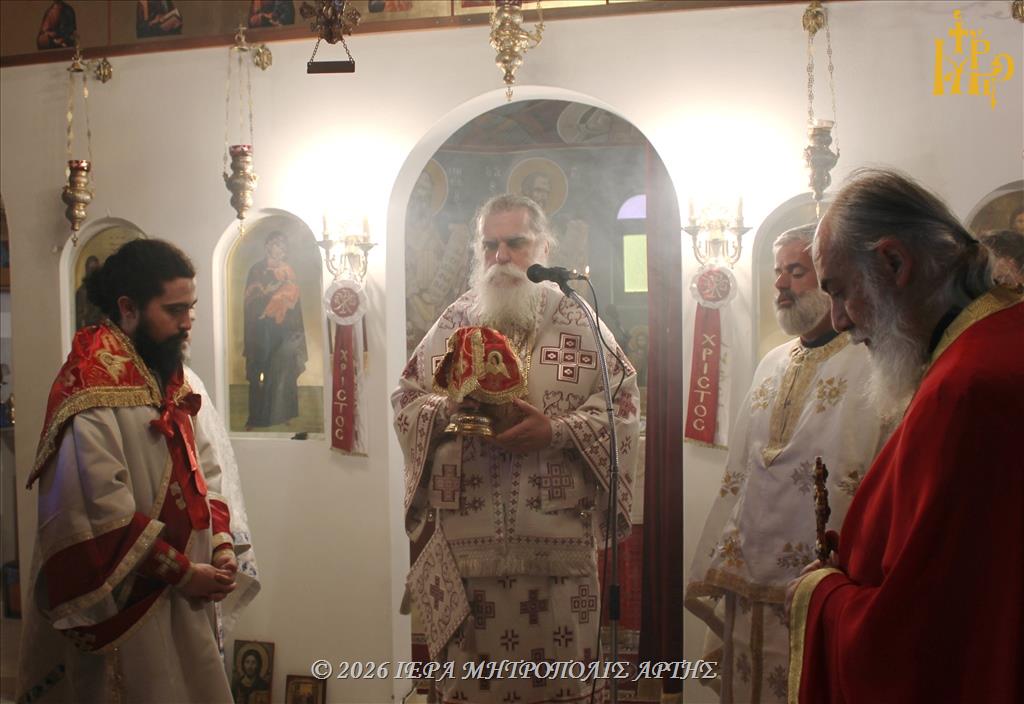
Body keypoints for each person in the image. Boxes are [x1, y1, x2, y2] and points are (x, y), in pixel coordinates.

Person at [787, 168, 1023, 703]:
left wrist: (821, 594)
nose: (838, 320)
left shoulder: (966, 389)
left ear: (893, 262)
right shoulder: (995, 341)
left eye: (840, 291)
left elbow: (918, 637)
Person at [393, 194, 640, 703]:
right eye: (490, 245)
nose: (501, 256)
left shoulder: (578, 320)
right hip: (467, 548)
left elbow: (622, 407)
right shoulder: (455, 321)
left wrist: (556, 431)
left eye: (515, 243)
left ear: (544, 247)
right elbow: (406, 399)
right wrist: (447, 409)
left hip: (556, 551)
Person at [18, 239, 238, 702]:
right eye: (174, 310)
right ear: (128, 308)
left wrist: (220, 545)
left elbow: (206, 467)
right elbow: (97, 513)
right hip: (127, 603)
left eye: (191, 308)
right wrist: (184, 573)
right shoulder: (90, 390)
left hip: (188, 592)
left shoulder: (169, 374)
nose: (187, 322)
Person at [685, 224, 887, 704]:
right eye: (778, 271)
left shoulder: (872, 363)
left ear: (833, 278)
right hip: (748, 568)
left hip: (823, 578)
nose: (779, 284)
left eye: (796, 271)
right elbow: (742, 469)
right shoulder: (772, 362)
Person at [243, 230, 307, 429]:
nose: (281, 249)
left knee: (283, 370)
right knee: (259, 371)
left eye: (283, 246)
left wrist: (294, 329)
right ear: (268, 246)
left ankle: (283, 414)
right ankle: (256, 418)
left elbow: (295, 302)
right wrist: (268, 294)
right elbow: (250, 300)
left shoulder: (289, 270)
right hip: (261, 331)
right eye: (277, 245)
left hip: (284, 330)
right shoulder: (257, 270)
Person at [74, 255, 104, 330]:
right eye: (91, 269)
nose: (93, 272)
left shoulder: (102, 289)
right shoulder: (82, 292)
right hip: (88, 329)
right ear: (87, 270)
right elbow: (79, 317)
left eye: (96, 269)